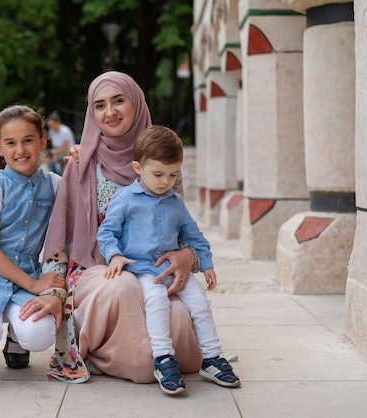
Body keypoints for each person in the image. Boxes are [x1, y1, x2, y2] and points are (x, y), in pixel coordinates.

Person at [35, 71, 203, 384]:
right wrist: (54, 289)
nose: (109, 112)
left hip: (150, 272)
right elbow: (60, 240)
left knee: (178, 319)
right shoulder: (80, 163)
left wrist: (188, 256)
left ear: (136, 103)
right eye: (99, 105)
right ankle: (131, 359)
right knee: (122, 288)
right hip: (95, 272)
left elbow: (182, 232)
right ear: (91, 112)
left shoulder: (161, 163)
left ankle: (122, 357)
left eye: (118, 101)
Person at [97, 125, 241, 394]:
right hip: (143, 271)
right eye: (158, 174)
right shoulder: (125, 199)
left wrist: (207, 264)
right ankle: (163, 358)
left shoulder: (175, 202)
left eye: (173, 174)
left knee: (200, 304)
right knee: (157, 302)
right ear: (138, 168)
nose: (166, 181)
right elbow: (107, 232)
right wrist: (114, 255)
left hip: (175, 272)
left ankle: (212, 358)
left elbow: (195, 236)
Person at [0, 105, 65, 372]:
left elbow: (87, 194)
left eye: (28, 140)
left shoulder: (54, 184)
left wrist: (81, 158)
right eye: (11, 143)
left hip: (26, 279)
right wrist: (35, 284)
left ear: (42, 141)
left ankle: (16, 339)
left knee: (40, 336)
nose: (20, 150)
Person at [46, 111, 77, 175]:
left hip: (69, 156)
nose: (51, 127)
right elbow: (55, 146)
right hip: (60, 156)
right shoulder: (51, 131)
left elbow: (63, 149)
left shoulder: (65, 131)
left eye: (52, 125)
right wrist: (54, 156)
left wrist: (51, 152)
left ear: (57, 123)